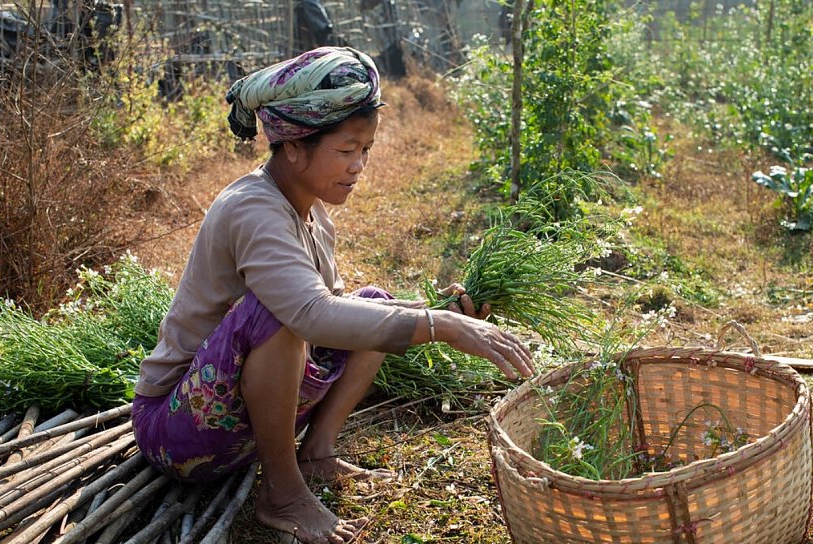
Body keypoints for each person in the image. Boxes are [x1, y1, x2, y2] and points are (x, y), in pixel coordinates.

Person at [131, 46, 534, 544]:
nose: (359, 166)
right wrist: (441, 327)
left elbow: (343, 314)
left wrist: (435, 310)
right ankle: (281, 492)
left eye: (365, 150)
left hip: (234, 420)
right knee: (277, 316)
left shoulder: (313, 212)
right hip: (177, 430)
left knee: (373, 303)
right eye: (346, 151)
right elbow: (309, 315)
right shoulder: (251, 209)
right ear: (294, 145)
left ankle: (316, 451)